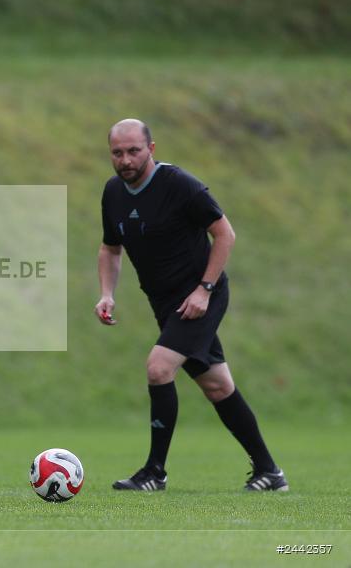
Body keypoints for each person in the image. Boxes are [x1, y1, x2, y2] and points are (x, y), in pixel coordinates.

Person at [96, 118, 287, 492]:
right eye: (117, 153)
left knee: (158, 368)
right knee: (217, 386)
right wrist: (107, 293)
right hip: (164, 302)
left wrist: (204, 289)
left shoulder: (180, 184)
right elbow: (110, 248)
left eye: (134, 151)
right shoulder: (113, 192)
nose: (126, 160)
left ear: (151, 149)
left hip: (201, 297)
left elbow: (224, 234)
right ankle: (270, 472)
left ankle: (155, 472)